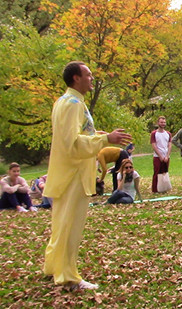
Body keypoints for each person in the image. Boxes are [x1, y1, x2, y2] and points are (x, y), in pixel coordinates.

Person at [43, 61, 132, 290]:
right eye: (88, 75)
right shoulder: (72, 104)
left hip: (70, 171)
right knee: (70, 224)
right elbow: (71, 143)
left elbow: (76, 134)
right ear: (76, 78)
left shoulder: (65, 101)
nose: (92, 78)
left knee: (62, 222)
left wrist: (100, 134)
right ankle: (68, 276)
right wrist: (104, 140)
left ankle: (54, 266)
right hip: (74, 173)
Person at [150, 116, 172, 193]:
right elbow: (154, 145)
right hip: (157, 157)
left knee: (164, 172)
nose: (163, 124)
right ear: (158, 123)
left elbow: (169, 145)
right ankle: (155, 190)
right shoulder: (154, 133)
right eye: (161, 122)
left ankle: (164, 188)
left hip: (166, 156)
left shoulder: (168, 133)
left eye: (164, 122)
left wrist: (167, 156)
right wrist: (160, 156)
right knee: (157, 172)